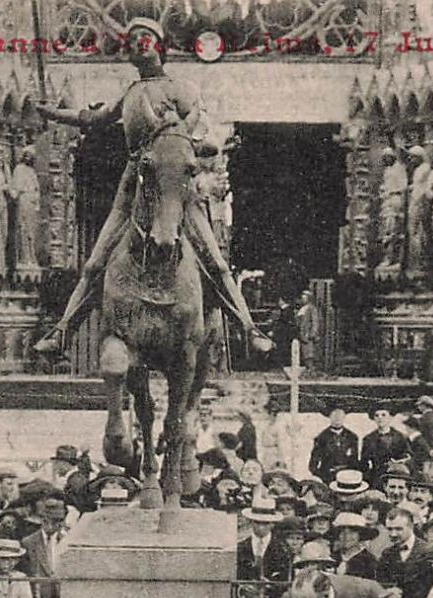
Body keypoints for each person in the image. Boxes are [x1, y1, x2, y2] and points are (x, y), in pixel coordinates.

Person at [30, 18, 271, 358]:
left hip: (174, 182)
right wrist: (54, 113)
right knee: (95, 261)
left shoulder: (181, 89)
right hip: (135, 181)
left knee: (214, 261)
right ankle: (62, 332)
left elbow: (200, 131)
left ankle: (249, 328)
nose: (139, 43)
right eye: (133, 40)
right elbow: (92, 119)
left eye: (146, 37)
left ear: (160, 45)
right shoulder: (130, 94)